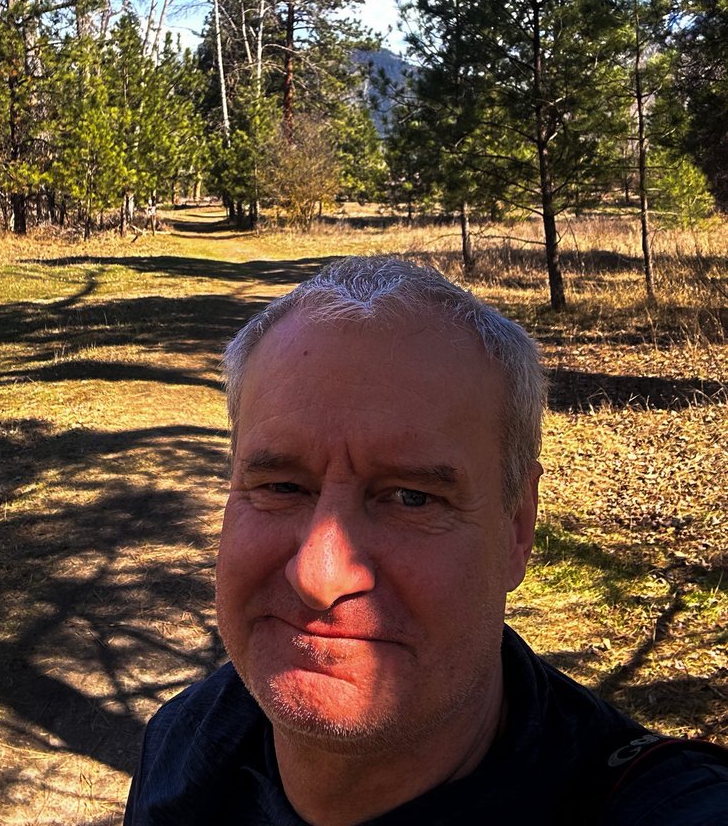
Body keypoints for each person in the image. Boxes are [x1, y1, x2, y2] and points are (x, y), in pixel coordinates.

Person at [124, 256, 727, 824]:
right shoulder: (183, 739)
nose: (319, 574)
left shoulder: (654, 803)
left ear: (517, 528)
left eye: (412, 497)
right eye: (282, 485)